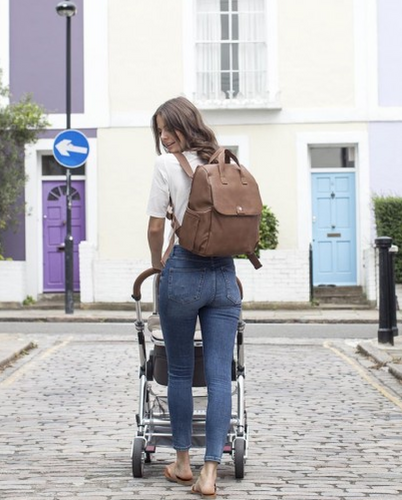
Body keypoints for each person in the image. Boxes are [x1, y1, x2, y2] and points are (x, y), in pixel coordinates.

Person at [146, 96, 241, 498]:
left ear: (185, 125)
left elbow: (154, 228)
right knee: (220, 375)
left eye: (169, 129)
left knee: (182, 372)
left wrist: (156, 266)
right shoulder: (225, 160)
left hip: (183, 271)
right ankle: (211, 473)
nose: (164, 137)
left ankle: (183, 464)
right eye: (159, 131)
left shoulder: (166, 166)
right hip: (225, 274)